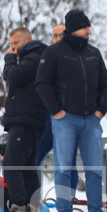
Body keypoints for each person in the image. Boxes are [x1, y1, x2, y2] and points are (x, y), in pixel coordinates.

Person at [35, 10, 107, 212]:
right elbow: (42, 84)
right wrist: (57, 112)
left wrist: (100, 112)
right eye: (85, 27)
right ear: (74, 28)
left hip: (91, 121)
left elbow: (105, 86)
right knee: (63, 169)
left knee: (94, 171)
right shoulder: (53, 53)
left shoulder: (94, 54)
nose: (89, 30)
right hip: (65, 120)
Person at [0, 27, 48, 212]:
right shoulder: (33, 57)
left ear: (28, 39)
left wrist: (9, 60)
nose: (13, 48)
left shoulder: (34, 57)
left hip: (25, 120)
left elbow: (14, 76)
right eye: (11, 44)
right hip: (29, 120)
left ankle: (18, 209)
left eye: (16, 43)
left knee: (11, 163)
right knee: (26, 167)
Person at [35, 24, 78, 194]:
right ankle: (25, 203)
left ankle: (67, 205)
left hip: (69, 120)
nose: (58, 39)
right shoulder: (43, 59)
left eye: (61, 35)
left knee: (67, 165)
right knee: (31, 160)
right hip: (44, 121)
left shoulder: (79, 59)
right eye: (54, 36)